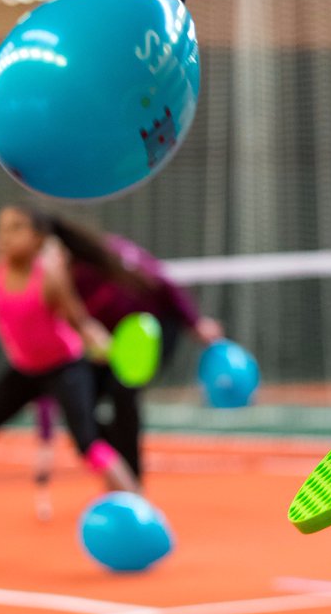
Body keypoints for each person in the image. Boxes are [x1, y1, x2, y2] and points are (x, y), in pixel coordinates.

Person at [0, 203, 141, 554]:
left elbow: (80, 321)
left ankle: (140, 513)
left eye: (16, 228)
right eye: (1, 228)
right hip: (24, 370)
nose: (4, 236)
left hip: (65, 368)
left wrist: (100, 340)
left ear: (38, 239)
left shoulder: (49, 277)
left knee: (88, 443)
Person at [30, 214, 222, 512]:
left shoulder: (110, 252)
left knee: (124, 395)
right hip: (103, 347)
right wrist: (44, 431)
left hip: (151, 331)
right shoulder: (49, 284)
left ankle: (132, 488)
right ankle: (118, 473)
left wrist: (195, 323)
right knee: (80, 411)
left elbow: (163, 283)